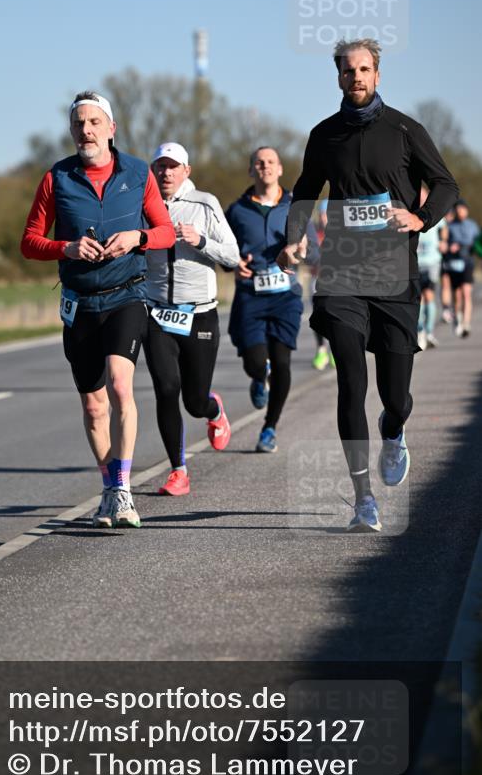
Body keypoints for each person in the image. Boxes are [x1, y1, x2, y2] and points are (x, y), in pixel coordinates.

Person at [279, 39, 458, 532]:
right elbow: (304, 193)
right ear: (338, 77)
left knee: (395, 397)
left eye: (363, 69)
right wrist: (293, 240)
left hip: (393, 277)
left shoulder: (404, 130)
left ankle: (394, 430)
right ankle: (363, 500)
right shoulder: (324, 135)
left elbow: (446, 185)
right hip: (341, 277)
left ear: (377, 74)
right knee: (351, 381)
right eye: (347, 70)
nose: (355, 77)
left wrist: (420, 218)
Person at [21, 91, 175, 529]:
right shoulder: (58, 178)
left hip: (127, 294)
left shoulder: (138, 174)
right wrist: (66, 247)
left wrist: (137, 239)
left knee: (121, 387)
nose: (85, 131)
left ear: (111, 128)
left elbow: (164, 230)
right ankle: (109, 488)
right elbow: (29, 241)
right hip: (80, 302)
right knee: (93, 406)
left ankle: (123, 489)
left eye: (93, 123)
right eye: (78, 125)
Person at [144, 141, 240, 496]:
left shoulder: (205, 203)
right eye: (160, 166)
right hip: (156, 313)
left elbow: (231, 256)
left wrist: (201, 240)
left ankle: (213, 410)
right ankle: (178, 471)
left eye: (173, 166)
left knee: (193, 400)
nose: (165, 172)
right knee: (166, 389)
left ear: (187, 171)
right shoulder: (145, 204)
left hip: (199, 315)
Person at [226, 146, 319, 454]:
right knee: (255, 361)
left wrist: (304, 250)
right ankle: (257, 376)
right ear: (251, 170)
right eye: (259, 163)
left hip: (285, 298)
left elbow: (316, 252)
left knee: (282, 362)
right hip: (250, 297)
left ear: (280, 169)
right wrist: (230, 264)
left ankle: (269, 427)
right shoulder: (236, 210)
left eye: (270, 162)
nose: (265, 167)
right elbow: (222, 251)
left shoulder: (296, 207)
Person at [416, 187, 448, 349]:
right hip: (416, 262)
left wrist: (443, 242)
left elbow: (444, 230)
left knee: (428, 295)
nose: (421, 198)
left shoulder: (434, 212)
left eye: (424, 196)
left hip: (432, 262)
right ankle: (420, 331)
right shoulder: (411, 212)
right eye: (419, 196)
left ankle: (428, 332)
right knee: (418, 298)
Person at [444, 198, 479, 338]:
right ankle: (457, 319)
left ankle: (466, 323)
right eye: (457, 210)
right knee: (457, 295)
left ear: (466, 210)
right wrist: (450, 247)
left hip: (468, 263)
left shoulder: (472, 225)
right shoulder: (450, 226)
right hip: (454, 264)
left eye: (462, 209)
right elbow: (445, 243)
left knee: (466, 293)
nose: (460, 212)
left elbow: (478, 243)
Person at [311, 199, 334, 370]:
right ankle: (321, 351)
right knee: (318, 316)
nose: (324, 217)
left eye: (327, 214)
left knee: (337, 317)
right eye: (322, 213)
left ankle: (335, 350)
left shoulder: (342, 232)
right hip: (317, 281)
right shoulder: (315, 232)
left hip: (338, 282)